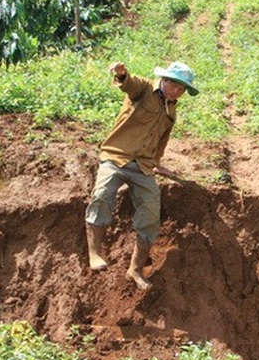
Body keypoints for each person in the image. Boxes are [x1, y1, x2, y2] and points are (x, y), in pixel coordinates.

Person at [84, 60, 199, 290]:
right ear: (164, 80)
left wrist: (156, 163)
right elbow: (129, 84)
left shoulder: (171, 109)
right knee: (102, 195)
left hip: (143, 166)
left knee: (150, 214)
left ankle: (134, 270)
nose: (178, 92)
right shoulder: (144, 89)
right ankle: (94, 253)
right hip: (117, 156)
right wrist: (121, 74)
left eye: (182, 89)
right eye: (175, 86)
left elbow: (161, 139)